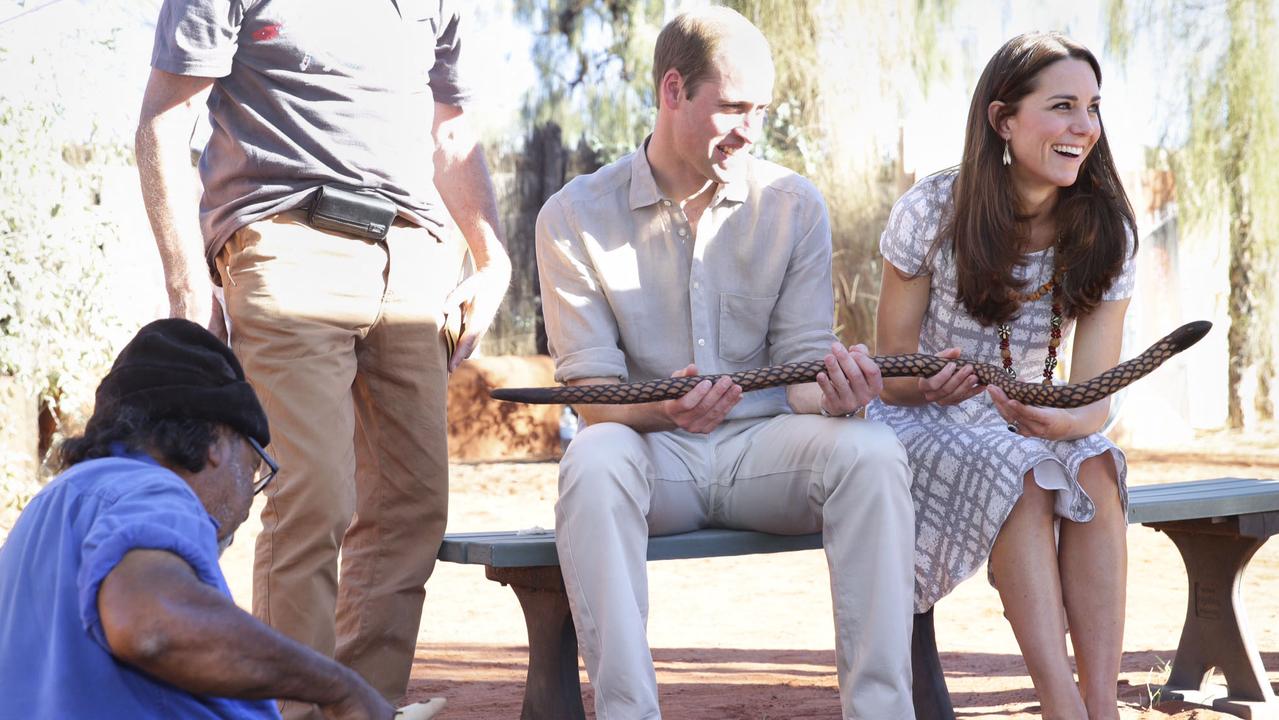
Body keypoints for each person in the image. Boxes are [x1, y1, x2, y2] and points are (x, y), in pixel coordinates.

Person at [534, 8, 916, 719]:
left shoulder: (793, 204)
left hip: (765, 452)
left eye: (760, 110)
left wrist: (838, 395)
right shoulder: (572, 215)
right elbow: (591, 396)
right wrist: (661, 409)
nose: (751, 130)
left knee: (869, 449)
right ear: (672, 90)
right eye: (733, 108)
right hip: (652, 459)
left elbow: (802, 375)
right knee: (592, 458)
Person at [135, 3, 511, 716]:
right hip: (285, 238)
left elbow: (452, 128)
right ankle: (291, 711)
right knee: (313, 496)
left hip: (413, 253)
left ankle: (362, 706)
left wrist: (491, 257)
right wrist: (188, 288)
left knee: (411, 508)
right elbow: (162, 118)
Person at [869, 32, 1136, 720]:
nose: (1084, 127)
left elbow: (1090, 398)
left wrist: (1065, 422)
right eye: (1061, 107)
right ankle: (1060, 707)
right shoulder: (931, 211)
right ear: (1002, 120)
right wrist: (927, 385)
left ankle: (1099, 706)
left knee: (1096, 467)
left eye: (1092, 107)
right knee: (1023, 470)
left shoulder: (1106, 228)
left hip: (1029, 416)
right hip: (920, 417)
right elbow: (890, 373)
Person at [0, 319, 396, 720]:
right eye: (255, 467)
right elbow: (151, 626)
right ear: (217, 444)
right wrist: (337, 686)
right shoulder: (153, 489)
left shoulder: (51, 505)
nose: (244, 510)